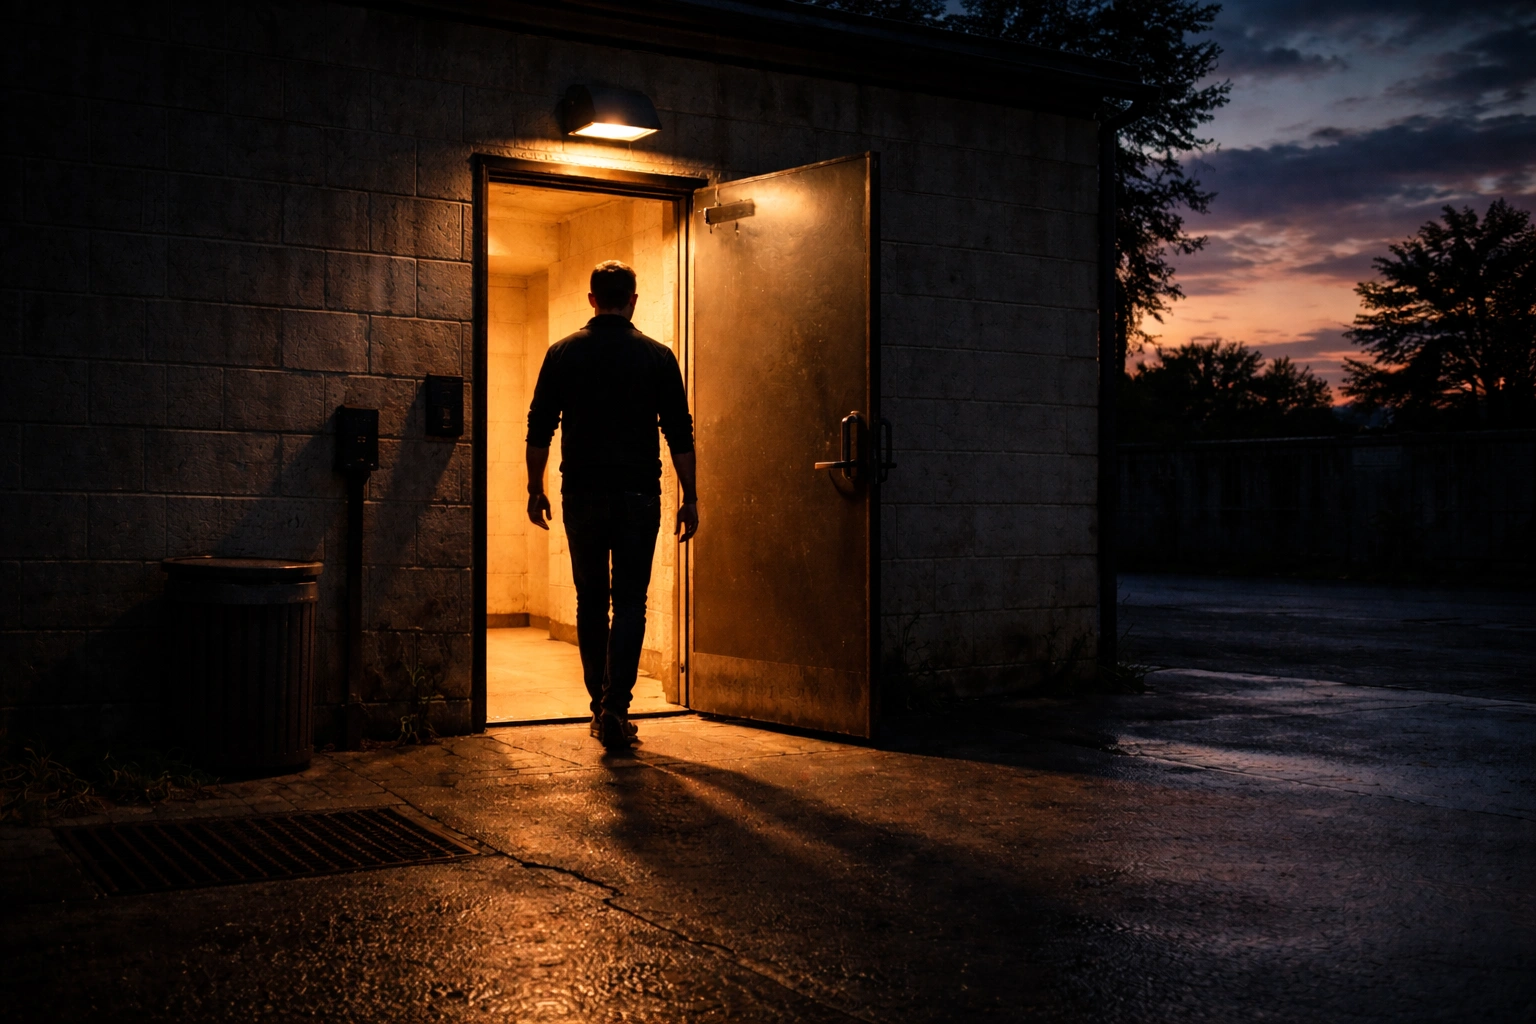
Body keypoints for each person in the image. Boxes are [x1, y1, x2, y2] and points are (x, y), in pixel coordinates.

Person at [526, 260, 699, 749]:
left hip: (581, 493)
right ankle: (614, 709)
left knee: (589, 603)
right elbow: (679, 433)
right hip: (639, 495)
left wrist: (534, 487)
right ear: (633, 300)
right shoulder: (658, 357)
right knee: (629, 604)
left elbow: (540, 427)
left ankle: (598, 707)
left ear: (592, 299)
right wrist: (691, 495)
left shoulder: (562, 354)